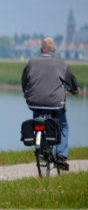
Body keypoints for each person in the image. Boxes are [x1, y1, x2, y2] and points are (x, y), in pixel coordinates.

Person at [21, 37, 79, 170]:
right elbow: (71, 80)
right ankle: (61, 155)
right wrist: (75, 90)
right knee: (63, 125)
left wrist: (27, 94)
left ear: (41, 50)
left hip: (34, 102)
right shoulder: (60, 63)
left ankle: (42, 148)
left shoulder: (31, 62)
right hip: (55, 103)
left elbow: (24, 81)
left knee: (38, 121)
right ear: (54, 50)